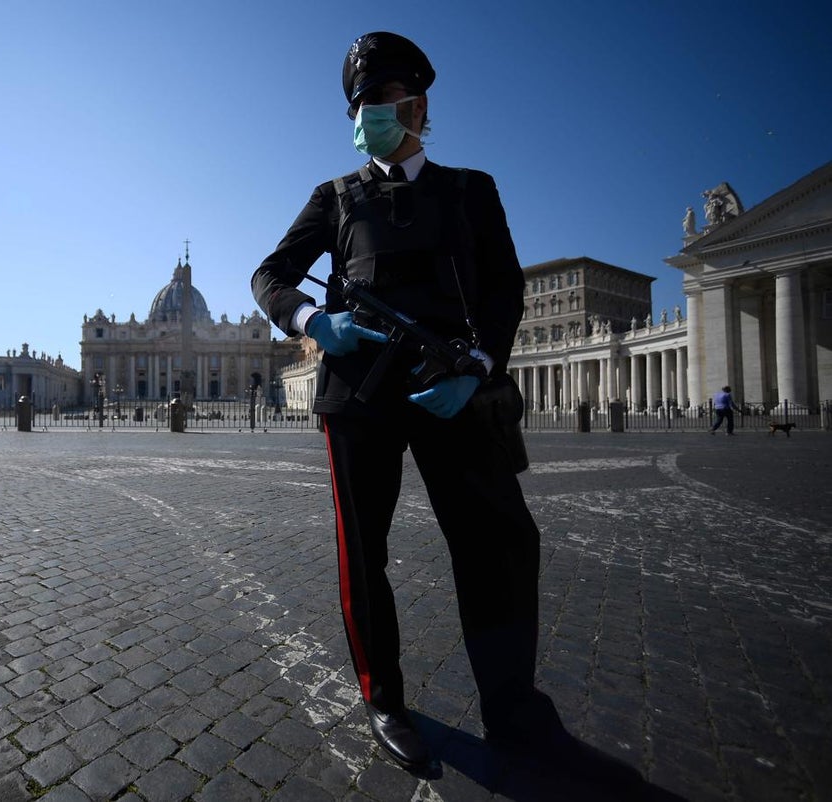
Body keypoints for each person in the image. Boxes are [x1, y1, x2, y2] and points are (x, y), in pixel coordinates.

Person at [251, 31, 644, 790]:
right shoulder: (333, 197)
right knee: (365, 554)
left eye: (381, 101)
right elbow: (271, 273)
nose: (368, 114)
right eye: (359, 105)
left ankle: (515, 711)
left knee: (499, 543)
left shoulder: (471, 189)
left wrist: (481, 365)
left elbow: (504, 287)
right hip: (357, 395)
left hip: (450, 388)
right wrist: (310, 321)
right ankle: (384, 700)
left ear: (418, 105)